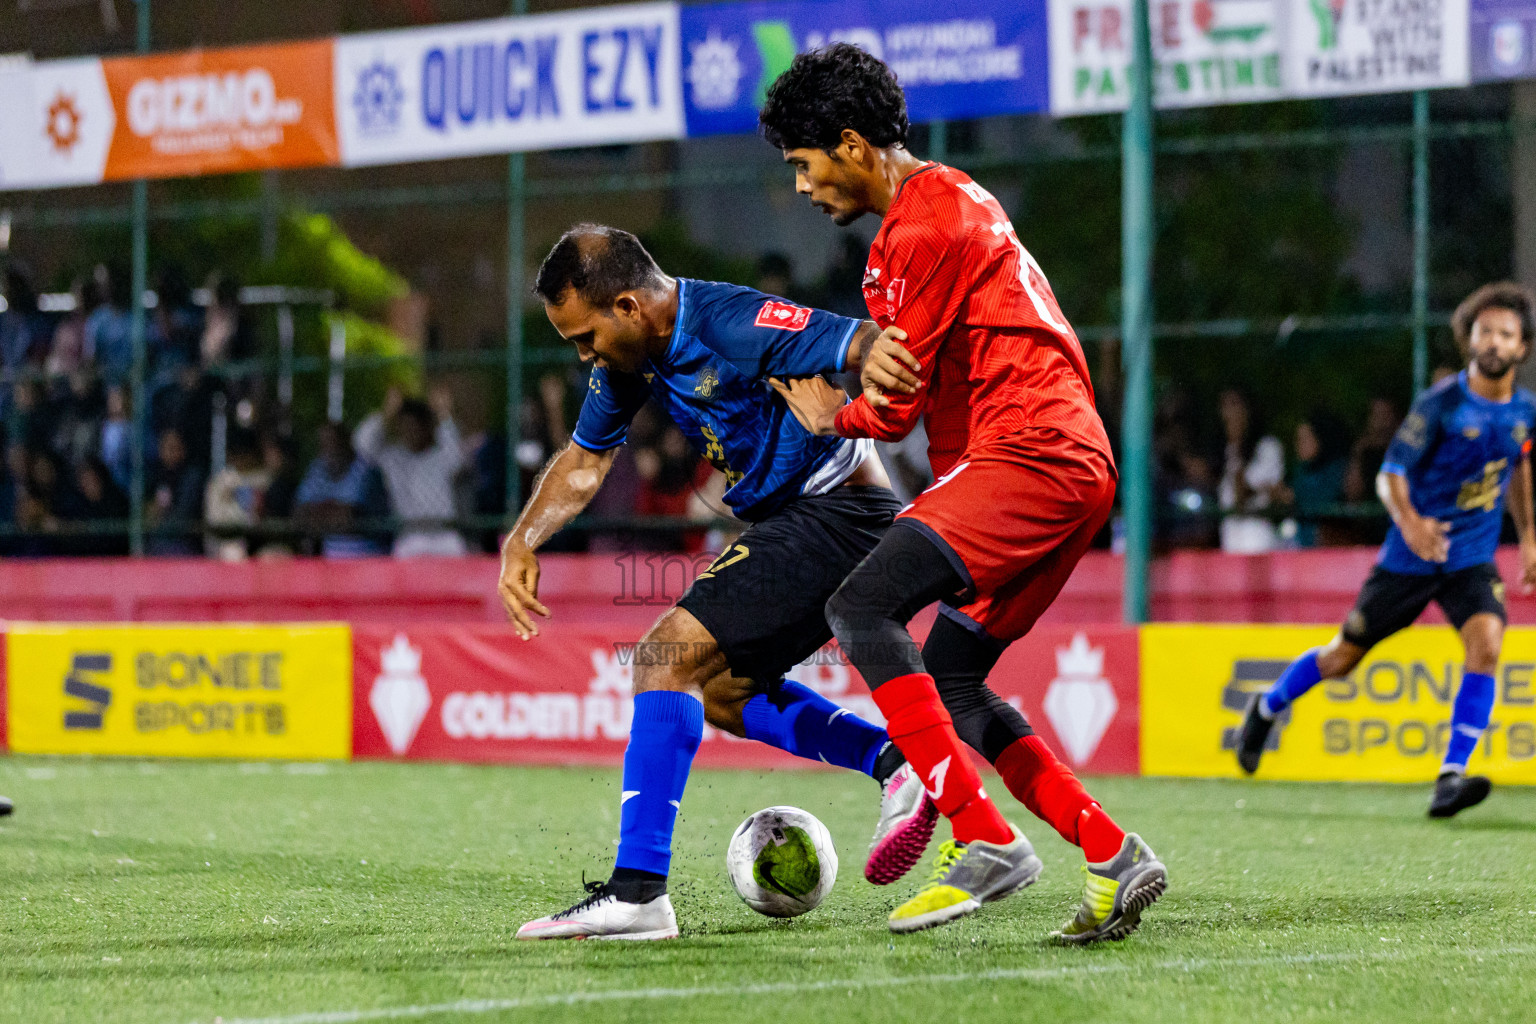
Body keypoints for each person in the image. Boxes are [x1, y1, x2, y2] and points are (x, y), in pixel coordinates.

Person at [760, 43, 1166, 940]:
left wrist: (835, 412)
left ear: (854, 145)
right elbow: (917, 375)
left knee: (860, 607)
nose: (801, 187)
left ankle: (985, 838)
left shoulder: (916, 229)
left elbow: (894, 404)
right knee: (951, 676)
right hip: (1068, 462)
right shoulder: (954, 196)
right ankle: (1112, 854)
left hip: (1029, 453)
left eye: (803, 163)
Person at [504, 224, 934, 941]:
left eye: (585, 336)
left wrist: (856, 411)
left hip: (840, 512)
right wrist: (523, 538)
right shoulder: (630, 362)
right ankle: (897, 765)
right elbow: (584, 460)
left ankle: (638, 893)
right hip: (800, 521)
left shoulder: (733, 322)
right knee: (726, 692)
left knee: (664, 659)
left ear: (630, 308)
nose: (583, 354)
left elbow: (867, 344)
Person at [1236, 283, 1536, 818]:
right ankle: (1266, 705)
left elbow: (1518, 467)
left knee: (1487, 643)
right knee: (1342, 658)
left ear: (1522, 348)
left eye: (1505, 334)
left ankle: (1450, 777)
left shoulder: (1524, 412)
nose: (1493, 341)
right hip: (1409, 559)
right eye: (1484, 331)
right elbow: (1390, 473)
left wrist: (1529, 535)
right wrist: (1413, 523)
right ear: (1470, 338)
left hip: (1469, 558)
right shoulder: (1440, 405)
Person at [355, 388, 467, 557]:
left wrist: (443, 414)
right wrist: (386, 414)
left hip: (444, 535)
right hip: (410, 536)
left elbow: (457, 456)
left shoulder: (441, 456)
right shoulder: (392, 457)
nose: (409, 432)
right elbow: (362, 445)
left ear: (426, 427)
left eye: (414, 426)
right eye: (404, 426)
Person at [293, 421, 389, 557]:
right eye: (323, 444)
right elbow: (299, 513)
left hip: (368, 556)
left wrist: (318, 512)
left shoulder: (366, 470)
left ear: (347, 442)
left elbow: (347, 518)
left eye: (333, 442)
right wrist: (333, 510)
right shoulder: (317, 468)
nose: (329, 449)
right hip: (331, 557)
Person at [1216, 388, 1285, 553]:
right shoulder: (1225, 451)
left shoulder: (1268, 447)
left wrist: (1236, 444)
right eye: (1224, 405)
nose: (1229, 412)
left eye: (1234, 404)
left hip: (1258, 545)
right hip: (1230, 544)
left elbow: (1242, 496)